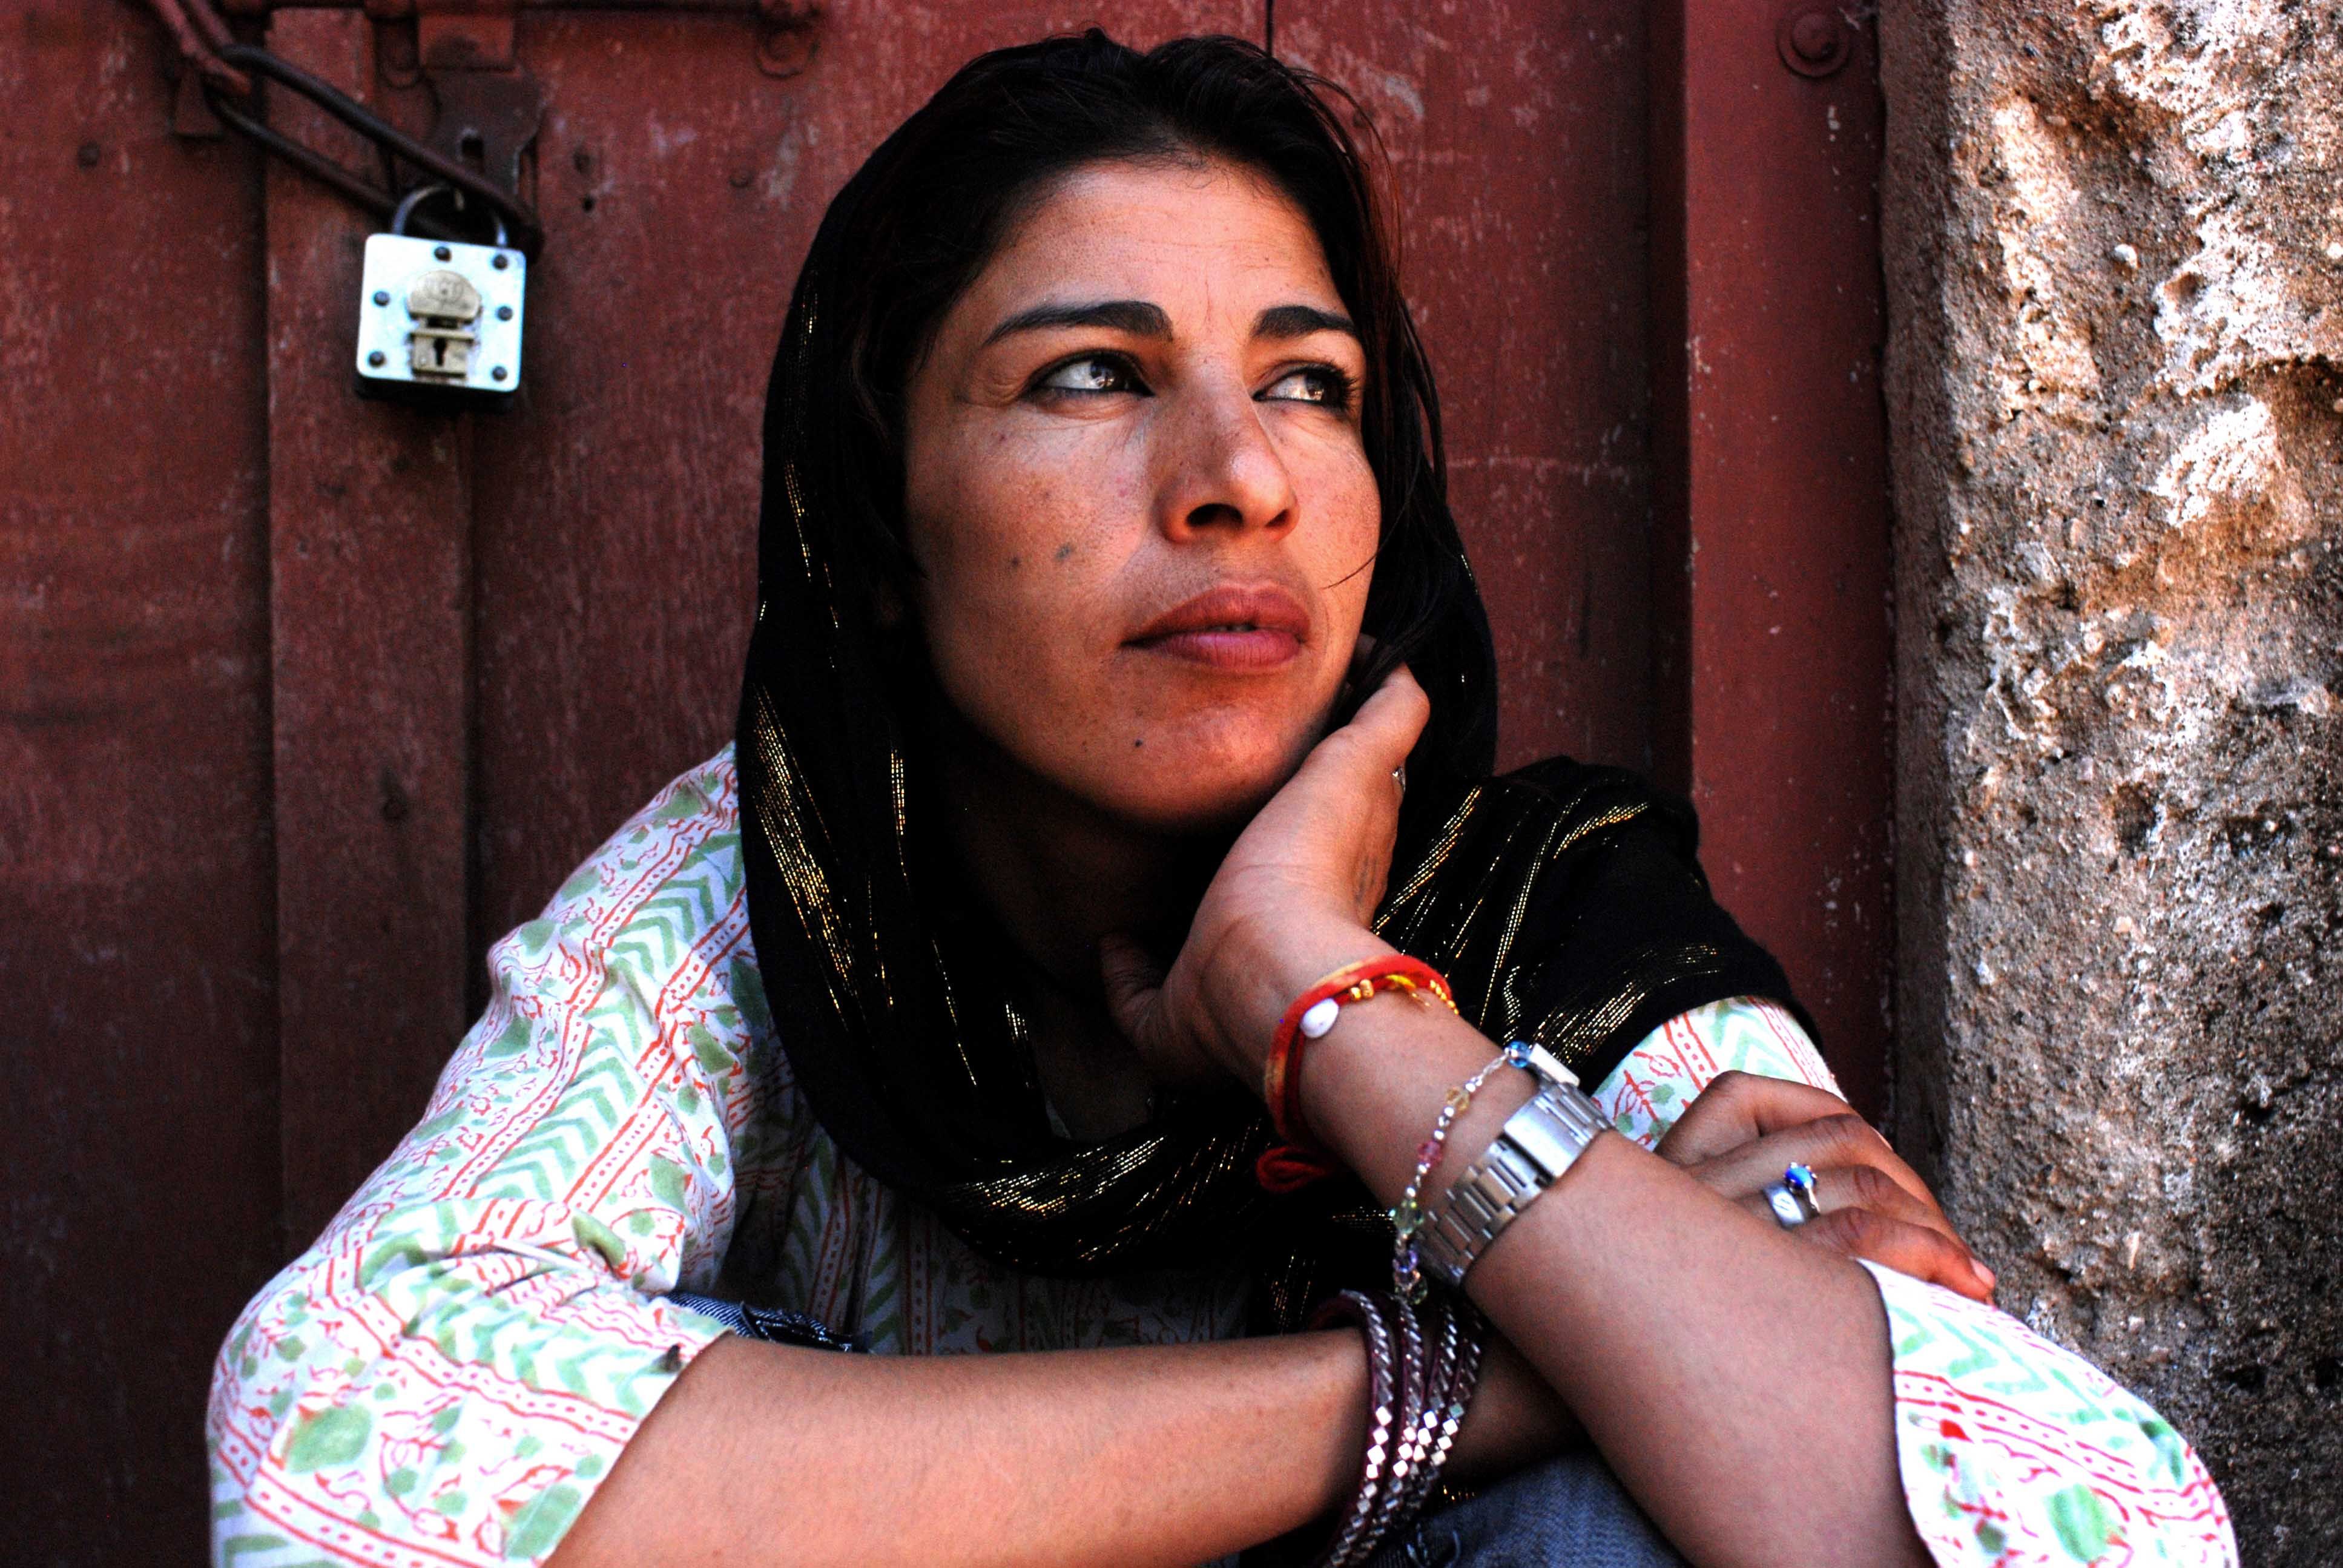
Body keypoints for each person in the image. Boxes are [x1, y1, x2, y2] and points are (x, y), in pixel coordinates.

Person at [208, 31, 2235, 1568]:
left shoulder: (1548, 912)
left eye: (1308, 384)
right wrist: (1469, 1381)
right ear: (881, 523)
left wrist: (1327, 1010)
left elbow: (2083, 1525)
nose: (1238, 477)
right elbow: (337, 1446)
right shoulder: (771, 894)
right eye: (1090, 375)